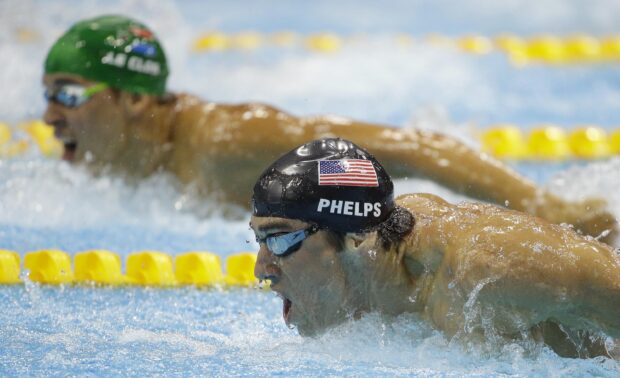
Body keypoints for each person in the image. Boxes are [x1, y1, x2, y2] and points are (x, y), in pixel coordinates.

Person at [43, 15, 616, 242]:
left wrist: (545, 205)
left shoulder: (225, 141)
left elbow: (414, 149)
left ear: (136, 100)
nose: (49, 116)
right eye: (47, 96)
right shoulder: (121, 162)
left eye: (68, 94)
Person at [251, 138, 620, 358]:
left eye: (281, 241)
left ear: (355, 235)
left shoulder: (486, 271)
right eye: (259, 241)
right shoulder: (382, 282)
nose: (261, 269)